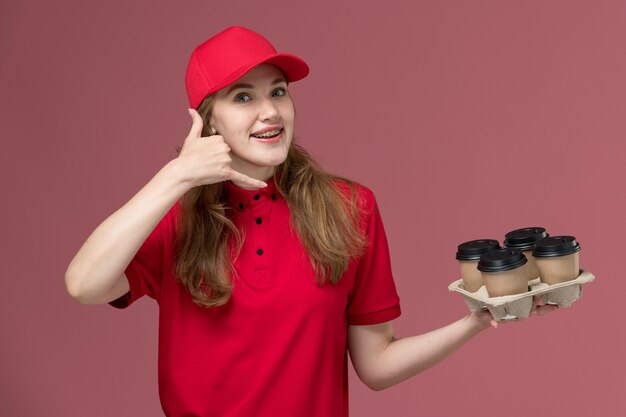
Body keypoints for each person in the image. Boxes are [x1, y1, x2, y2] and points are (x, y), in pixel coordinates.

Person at [65, 26, 556, 417]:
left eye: (277, 92)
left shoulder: (350, 208)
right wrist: (175, 177)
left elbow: (376, 365)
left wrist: (476, 320)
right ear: (207, 121)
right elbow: (84, 285)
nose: (269, 111)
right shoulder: (175, 216)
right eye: (242, 98)